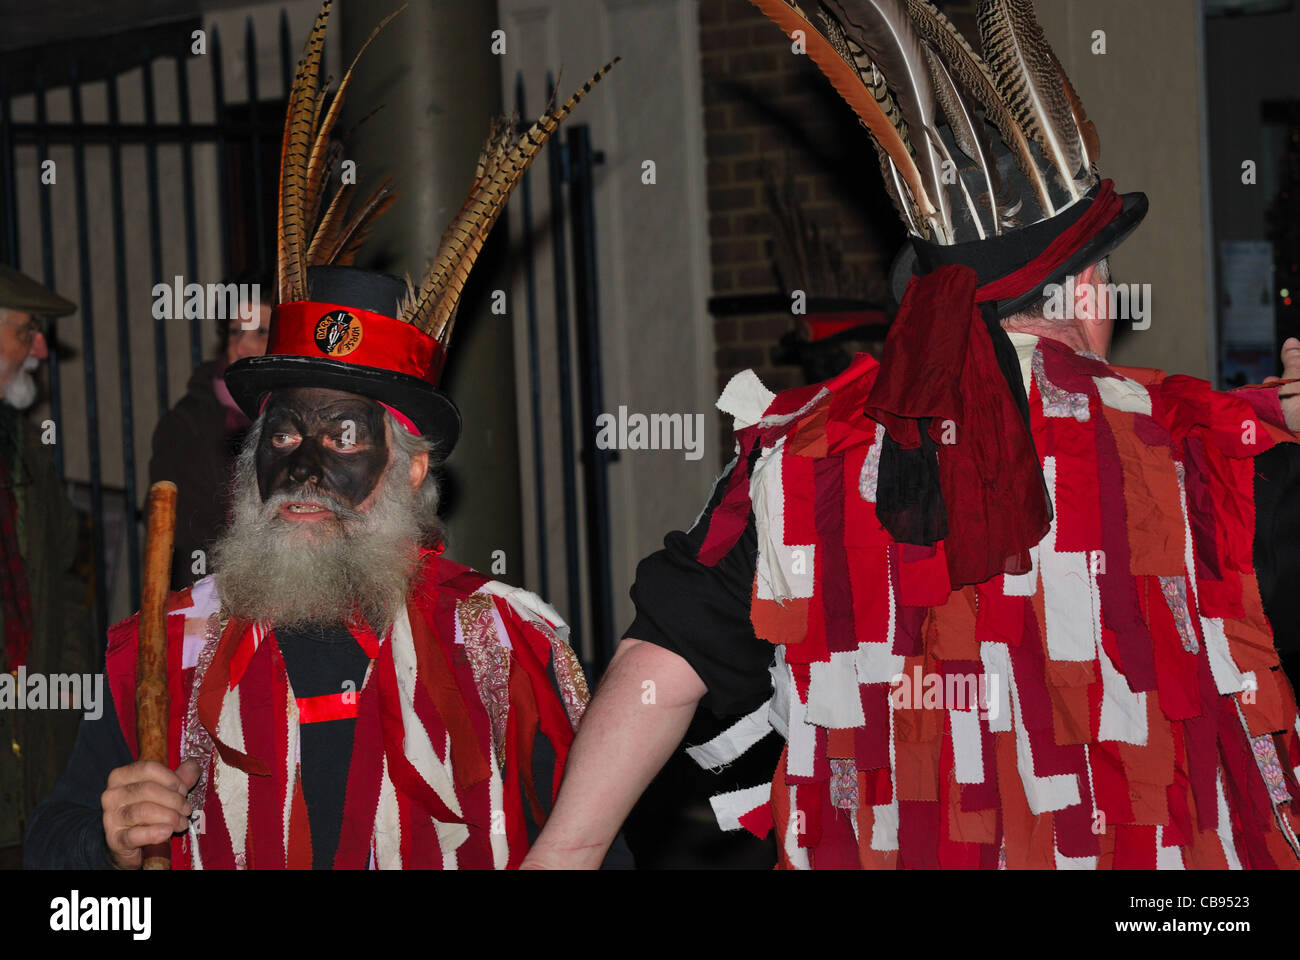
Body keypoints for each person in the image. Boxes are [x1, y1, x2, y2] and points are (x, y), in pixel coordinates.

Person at [524, 0, 1300, 869]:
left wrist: (567, 852)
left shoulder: (790, 457)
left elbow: (663, 660)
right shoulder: (1214, 450)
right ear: (1088, 293)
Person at [24, 0, 613, 870]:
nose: (302, 465)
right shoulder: (157, 654)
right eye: (283, 435)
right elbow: (62, 886)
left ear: (411, 471)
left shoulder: (507, 652)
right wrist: (102, 842)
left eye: (343, 437)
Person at [0, 264, 94, 866]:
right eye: (24, 331)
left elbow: (60, 586)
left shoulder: (23, 447)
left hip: (28, 748)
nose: (39, 349)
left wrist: (62, 706)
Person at [149, 271, 271, 590]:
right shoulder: (186, 426)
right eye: (234, 332)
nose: (242, 346)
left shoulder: (306, 415)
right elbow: (184, 534)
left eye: (261, 331)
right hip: (215, 601)